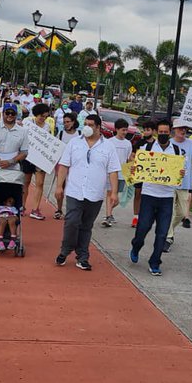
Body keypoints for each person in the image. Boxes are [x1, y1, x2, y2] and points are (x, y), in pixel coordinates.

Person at [54, 113, 120, 270]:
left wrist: (114, 193)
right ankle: (65, 249)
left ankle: (82, 257)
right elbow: (64, 165)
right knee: (71, 222)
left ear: (98, 127)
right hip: (74, 190)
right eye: (86, 124)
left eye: (91, 125)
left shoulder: (108, 146)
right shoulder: (74, 143)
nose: (87, 128)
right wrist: (59, 186)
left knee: (86, 226)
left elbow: (113, 171)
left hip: (95, 193)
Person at [129, 119, 182, 276]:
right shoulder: (147, 148)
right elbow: (136, 166)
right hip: (149, 195)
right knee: (143, 227)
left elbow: (179, 176)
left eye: (166, 132)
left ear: (170, 133)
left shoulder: (177, 152)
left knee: (162, 232)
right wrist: (134, 166)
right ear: (156, 132)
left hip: (166, 197)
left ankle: (155, 262)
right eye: (161, 132)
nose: (164, 135)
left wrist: (180, 174)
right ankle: (136, 245)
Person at [164, 121, 192, 250]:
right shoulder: (168, 143)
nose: (183, 131)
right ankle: (168, 237)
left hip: (185, 184)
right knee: (170, 211)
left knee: (182, 213)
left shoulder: (191, 144)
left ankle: (169, 230)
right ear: (174, 129)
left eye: (185, 128)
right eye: (180, 128)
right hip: (170, 183)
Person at [0, 103, 28, 216]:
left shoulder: (22, 131)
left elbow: (24, 152)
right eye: (7, 113)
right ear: (3, 113)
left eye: (12, 113)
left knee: (14, 192)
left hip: (13, 167)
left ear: (16, 115)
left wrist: (11, 161)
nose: (9, 115)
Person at [21, 103, 52, 219]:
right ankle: (22, 206)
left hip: (40, 159)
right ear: (36, 114)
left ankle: (35, 209)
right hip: (27, 157)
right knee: (26, 181)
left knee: (40, 183)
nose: (43, 118)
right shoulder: (28, 122)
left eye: (45, 116)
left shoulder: (47, 126)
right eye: (41, 116)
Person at [102, 117, 133, 227]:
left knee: (117, 198)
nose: (125, 132)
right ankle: (108, 215)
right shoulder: (109, 142)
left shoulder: (128, 144)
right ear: (116, 129)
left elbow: (129, 159)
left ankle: (109, 213)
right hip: (111, 173)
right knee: (110, 193)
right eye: (122, 130)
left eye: (126, 130)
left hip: (122, 174)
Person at [130, 118, 155, 228]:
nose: (146, 132)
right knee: (138, 194)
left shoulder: (157, 144)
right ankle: (136, 217)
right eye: (144, 130)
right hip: (140, 173)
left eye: (148, 130)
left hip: (152, 174)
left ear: (154, 131)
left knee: (149, 196)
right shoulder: (139, 143)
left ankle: (146, 217)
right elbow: (132, 155)